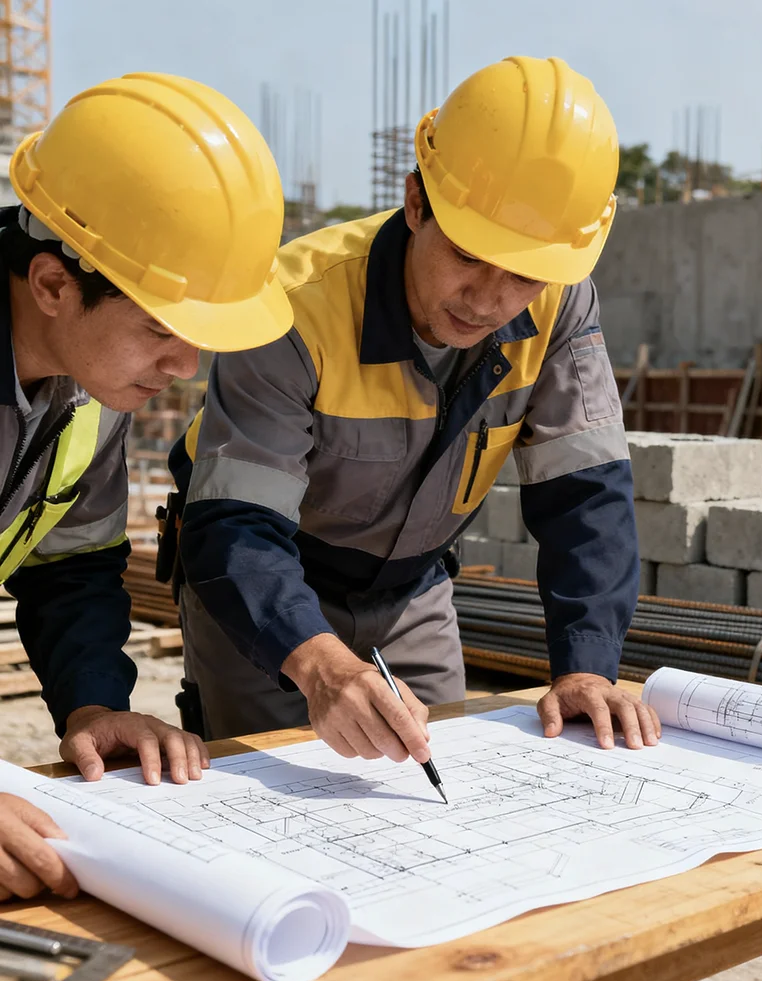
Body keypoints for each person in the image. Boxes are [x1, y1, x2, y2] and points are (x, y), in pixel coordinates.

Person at [172, 55, 661, 769]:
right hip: (265, 585)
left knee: (437, 796)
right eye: (468, 255)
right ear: (415, 201)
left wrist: (587, 666)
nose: (489, 299)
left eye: (523, 273)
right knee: (272, 801)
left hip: (412, 590)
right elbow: (236, 526)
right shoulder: (291, 308)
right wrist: (321, 668)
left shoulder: (561, 300)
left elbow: (587, 496)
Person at [0, 73, 292, 902]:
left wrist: (92, 707)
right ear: (54, 284)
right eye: (162, 328)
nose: (184, 367)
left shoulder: (87, 379)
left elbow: (71, 569)